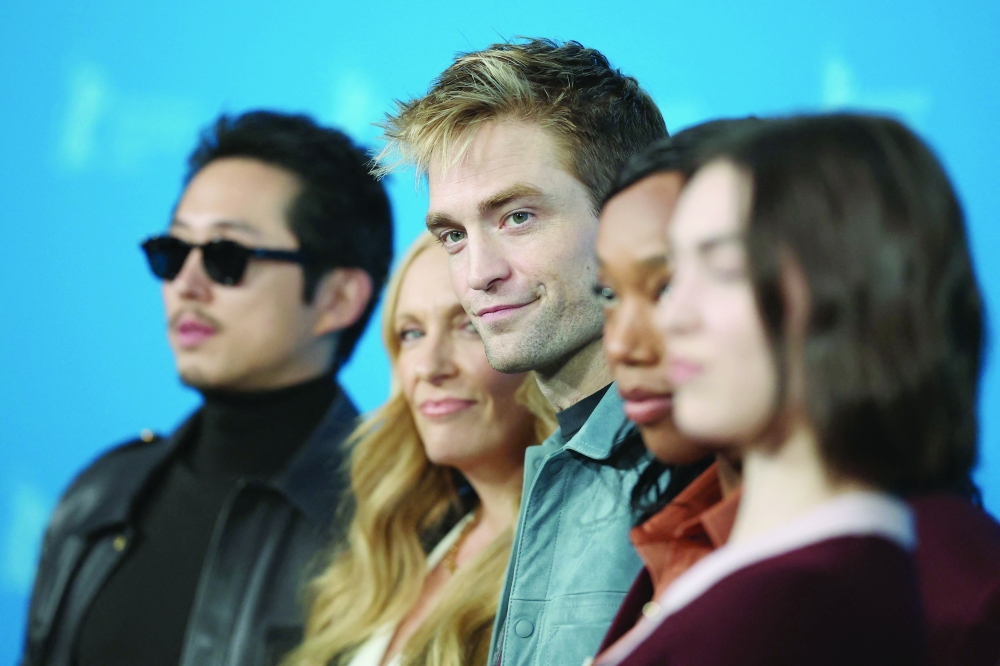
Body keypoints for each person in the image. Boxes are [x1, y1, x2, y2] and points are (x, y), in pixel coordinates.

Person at [605, 113, 987, 665]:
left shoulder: (809, 611)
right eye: (677, 276)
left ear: (848, 293)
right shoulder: (740, 578)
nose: (671, 319)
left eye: (722, 270)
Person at [20, 111, 393, 666]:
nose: (186, 286)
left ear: (339, 298)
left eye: (226, 258)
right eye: (171, 253)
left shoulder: (392, 519)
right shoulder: (99, 499)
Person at [377, 38, 674, 666]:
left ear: (628, 213)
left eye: (517, 217)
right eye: (453, 235)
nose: (478, 274)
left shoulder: (703, 464)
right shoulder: (550, 468)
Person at [284, 234, 556, 666]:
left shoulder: (573, 559)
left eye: (468, 324)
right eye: (411, 334)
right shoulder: (401, 547)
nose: (429, 366)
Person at [589, 120, 756, 666]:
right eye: (608, 293)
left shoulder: (939, 593)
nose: (623, 345)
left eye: (666, 289)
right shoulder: (673, 530)